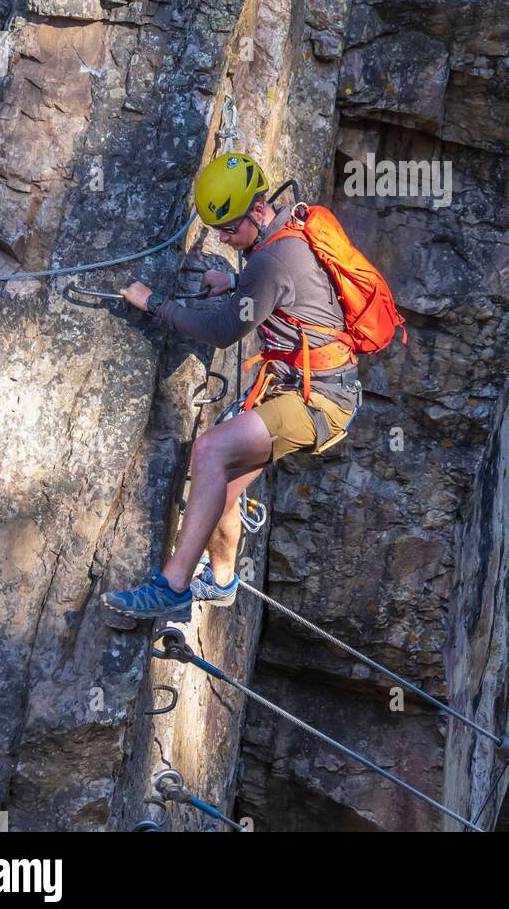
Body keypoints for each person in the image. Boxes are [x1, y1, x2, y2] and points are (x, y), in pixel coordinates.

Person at [102, 151, 361, 620]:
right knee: (219, 485)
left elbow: (225, 331)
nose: (223, 238)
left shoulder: (273, 258)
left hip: (317, 401)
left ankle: (172, 588)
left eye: (229, 229)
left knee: (209, 451)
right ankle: (221, 581)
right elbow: (284, 290)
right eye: (217, 230)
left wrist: (154, 303)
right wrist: (238, 282)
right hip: (306, 387)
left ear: (258, 211)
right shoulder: (283, 236)